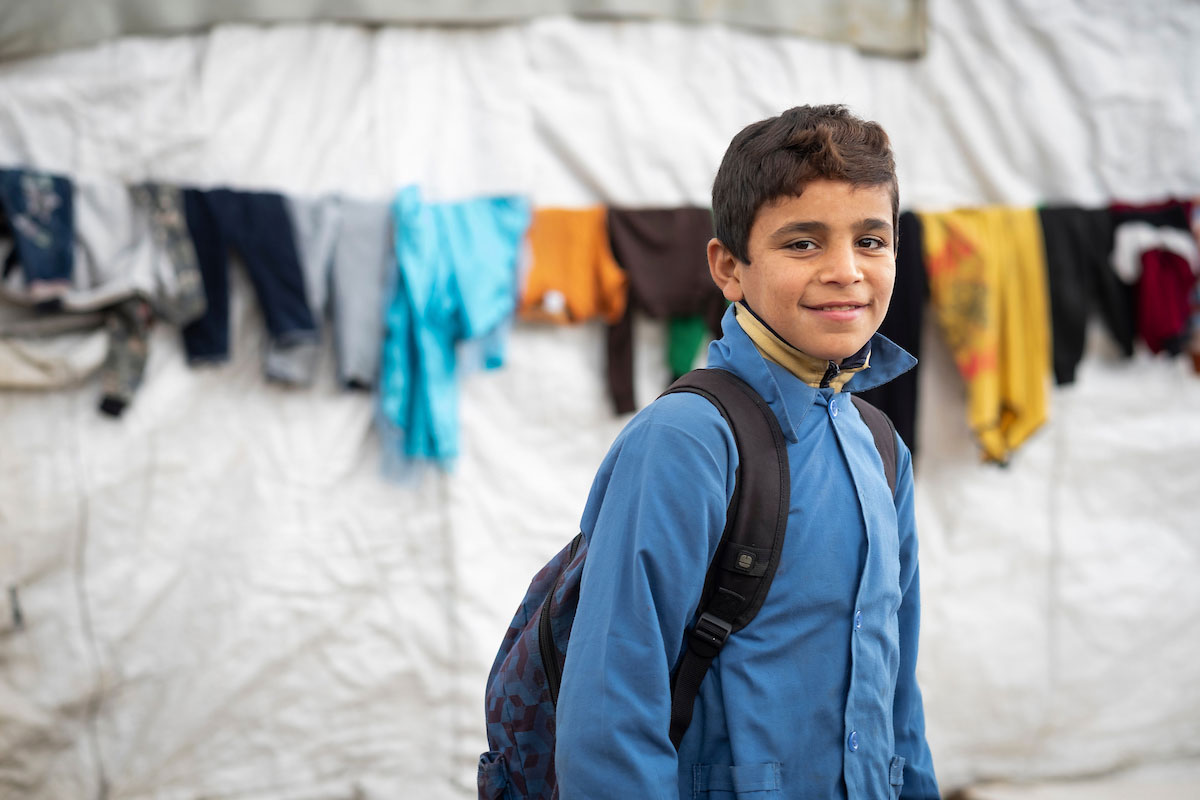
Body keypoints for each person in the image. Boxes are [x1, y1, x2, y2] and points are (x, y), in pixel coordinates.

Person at [555, 105, 940, 799]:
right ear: (729, 267)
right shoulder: (686, 442)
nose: (845, 271)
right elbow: (609, 722)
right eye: (802, 243)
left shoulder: (881, 447)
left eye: (871, 241)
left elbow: (897, 701)